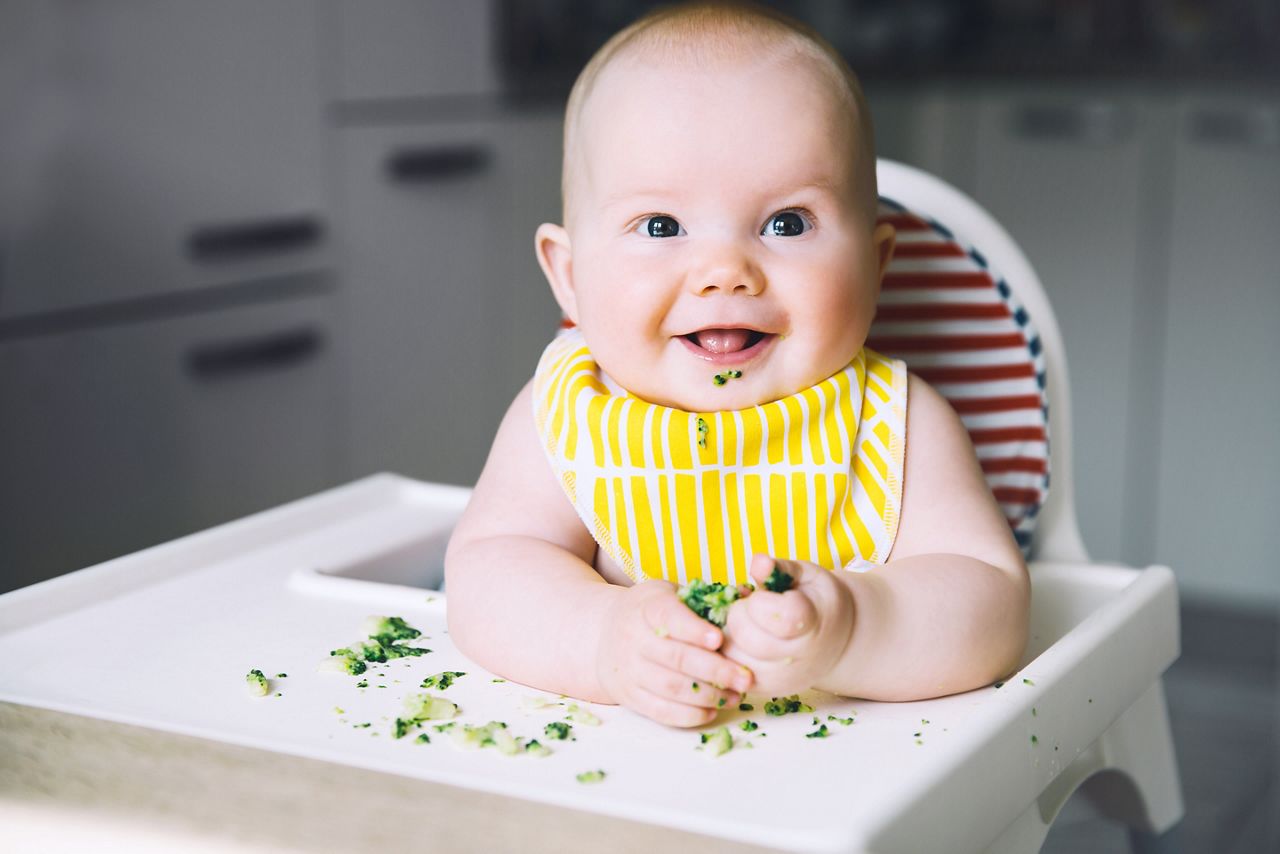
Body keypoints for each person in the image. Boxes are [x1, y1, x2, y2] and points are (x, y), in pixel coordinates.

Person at [445, 1, 1029, 728]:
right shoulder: (566, 417)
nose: (725, 271)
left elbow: (992, 605)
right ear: (570, 276)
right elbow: (486, 576)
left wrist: (855, 629)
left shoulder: (899, 425)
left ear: (876, 267)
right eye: (660, 226)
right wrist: (600, 640)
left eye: (786, 223)